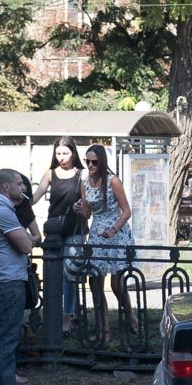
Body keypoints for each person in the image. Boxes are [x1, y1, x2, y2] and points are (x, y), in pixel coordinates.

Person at [0, 175, 41, 385]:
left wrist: (25, 236)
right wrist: (24, 236)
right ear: (6, 187)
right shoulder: (1, 211)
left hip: (6, 278)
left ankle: (6, 381)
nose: (24, 188)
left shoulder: (8, 210)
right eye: (19, 184)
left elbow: (33, 236)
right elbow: (26, 246)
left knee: (7, 332)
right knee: (1, 332)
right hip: (5, 279)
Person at [78, 144, 137, 342]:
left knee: (116, 284)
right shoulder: (85, 182)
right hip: (96, 233)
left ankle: (130, 316)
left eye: (94, 162)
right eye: (87, 161)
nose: (90, 165)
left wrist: (114, 229)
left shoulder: (113, 181)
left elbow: (127, 211)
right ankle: (104, 331)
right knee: (95, 282)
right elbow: (87, 213)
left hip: (116, 232)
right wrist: (80, 209)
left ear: (102, 161)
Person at [31, 137, 86, 334]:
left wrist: (82, 207)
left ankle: (66, 318)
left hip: (75, 230)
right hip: (54, 229)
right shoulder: (50, 174)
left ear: (73, 153)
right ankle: (61, 313)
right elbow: (35, 198)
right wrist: (20, 198)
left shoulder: (82, 174)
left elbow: (88, 208)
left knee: (69, 274)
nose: (62, 157)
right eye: (58, 153)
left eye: (65, 153)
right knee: (55, 274)